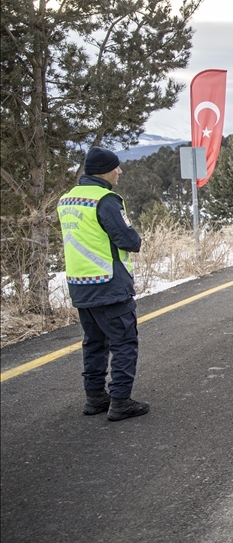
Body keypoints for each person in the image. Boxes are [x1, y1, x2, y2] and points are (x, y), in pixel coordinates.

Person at [57, 147, 148, 421]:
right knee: (124, 342)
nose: (119, 171)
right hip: (109, 284)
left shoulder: (68, 200)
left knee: (94, 343)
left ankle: (94, 397)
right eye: (116, 167)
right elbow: (128, 240)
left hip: (80, 284)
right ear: (104, 171)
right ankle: (120, 401)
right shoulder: (105, 200)